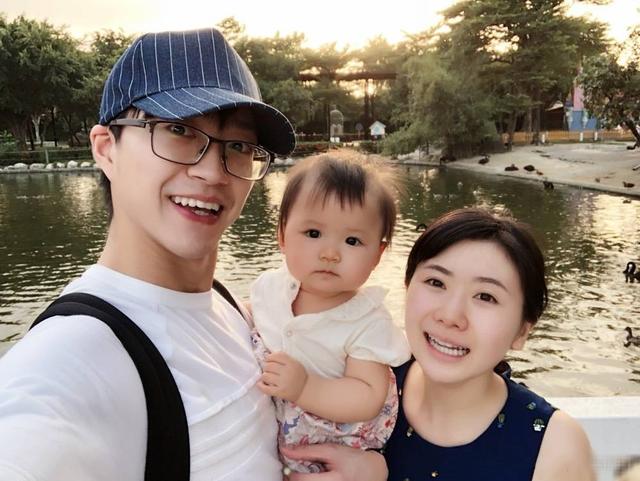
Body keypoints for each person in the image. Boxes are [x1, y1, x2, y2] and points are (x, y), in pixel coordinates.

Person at [0, 27, 385, 481]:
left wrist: (370, 469)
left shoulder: (231, 306)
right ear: (106, 149)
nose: (211, 172)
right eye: (178, 130)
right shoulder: (68, 363)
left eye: (238, 146)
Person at [382, 208, 595, 481]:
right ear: (407, 287)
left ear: (522, 331)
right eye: (436, 282)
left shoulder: (554, 447)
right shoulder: (356, 386)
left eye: (485, 296)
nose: (450, 315)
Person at [250, 153, 411, 473]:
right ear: (282, 235)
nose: (330, 253)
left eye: (352, 240)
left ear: (377, 255)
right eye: (313, 233)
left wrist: (305, 387)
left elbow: (367, 396)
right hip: (270, 445)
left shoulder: (367, 321)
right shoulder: (271, 289)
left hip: (331, 453)